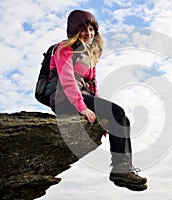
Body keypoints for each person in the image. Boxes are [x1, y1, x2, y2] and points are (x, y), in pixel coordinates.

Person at [49, 10, 148, 191]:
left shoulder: (90, 54)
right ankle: (120, 169)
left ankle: (124, 168)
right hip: (64, 99)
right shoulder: (63, 49)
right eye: (83, 29)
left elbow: (92, 87)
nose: (89, 33)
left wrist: (105, 119)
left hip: (82, 97)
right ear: (73, 31)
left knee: (121, 118)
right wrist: (82, 108)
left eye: (91, 28)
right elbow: (67, 80)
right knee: (117, 112)